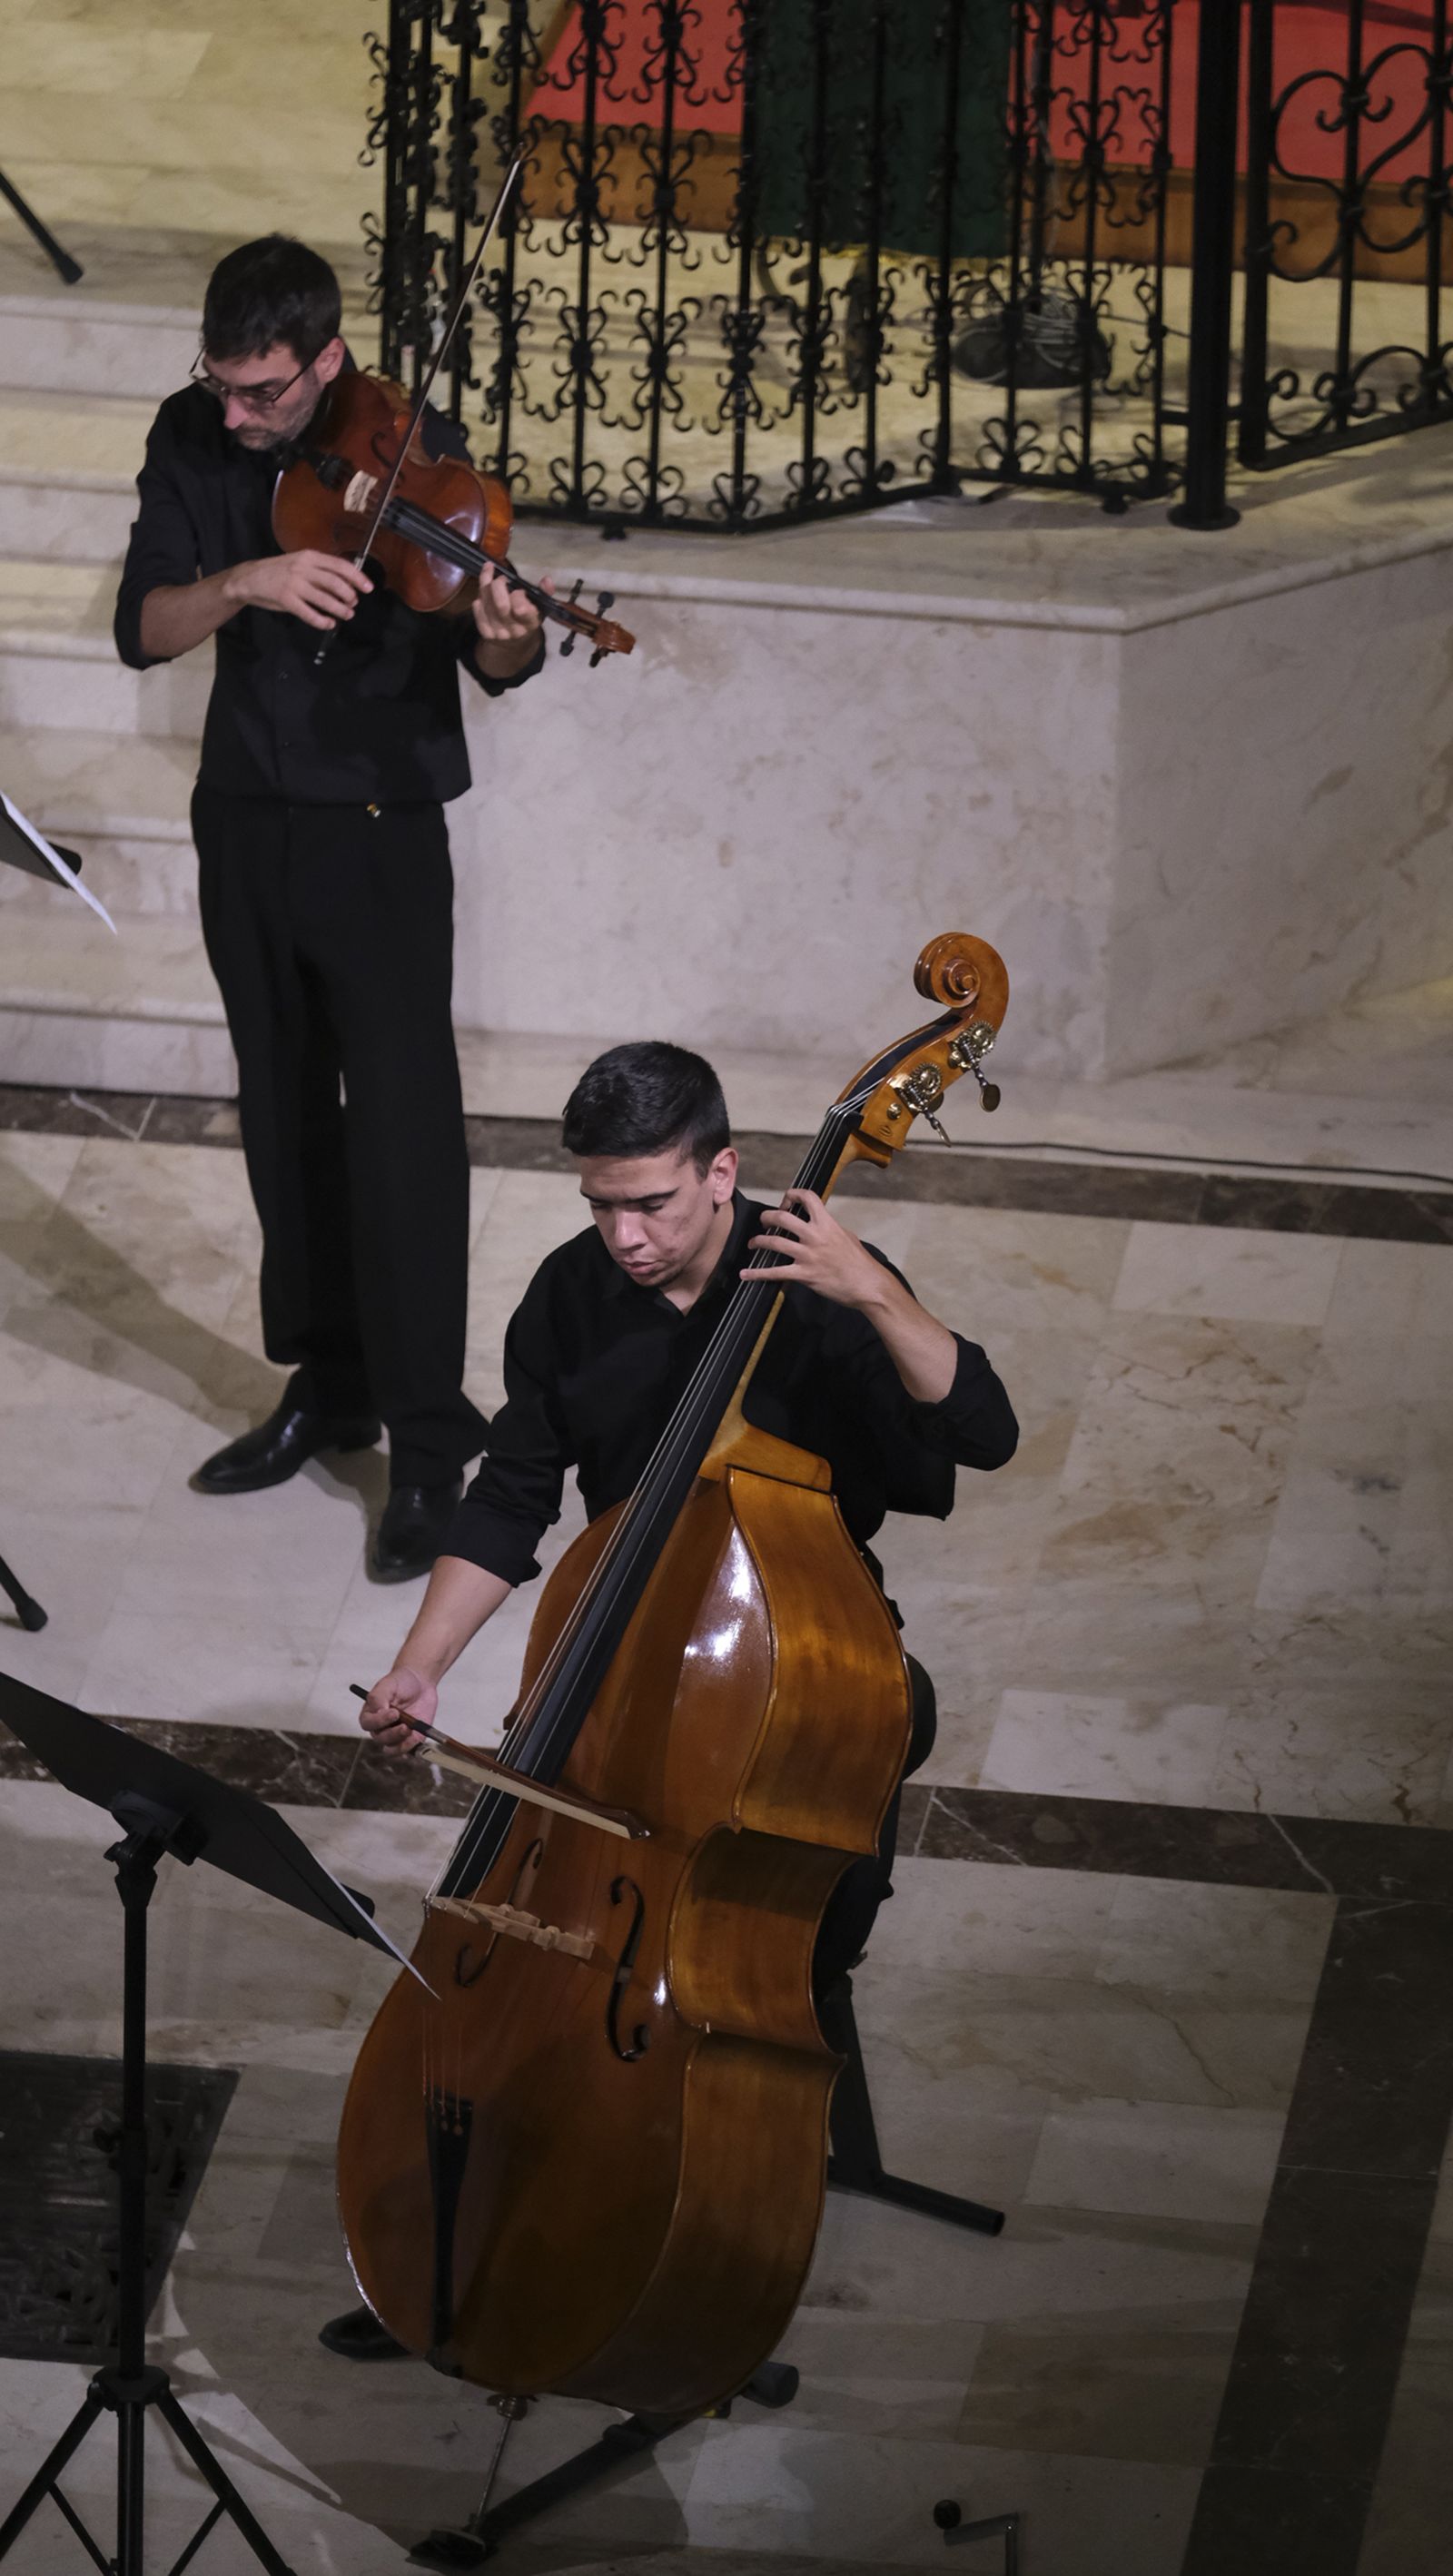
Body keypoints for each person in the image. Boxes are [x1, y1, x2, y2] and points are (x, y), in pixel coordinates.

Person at [321, 1038, 1017, 2359]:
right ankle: (474, 2223)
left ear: (724, 1170)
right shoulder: (572, 1295)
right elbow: (517, 1488)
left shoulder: (813, 1292)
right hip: (618, 1645)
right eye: (601, 1203)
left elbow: (984, 1433)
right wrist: (426, 1661)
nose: (625, 1235)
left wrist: (875, 1292)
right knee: (542, 1917)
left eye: (651, 1202)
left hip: (797, 1661)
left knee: (753, 1957)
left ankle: (701, 2240)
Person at [113, 234, 546, 1579]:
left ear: (329, 361)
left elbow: (490, 652)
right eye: (227, 385)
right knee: (283, 1113)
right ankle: (329, 1382)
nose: (241, 416)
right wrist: (247, 578)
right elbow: (144, 624)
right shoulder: (189, 437)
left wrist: (508, 633)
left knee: (404, 1131)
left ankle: (428, 1444)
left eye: (267, 393)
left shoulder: (421, 449)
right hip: (244, 815)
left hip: (379, 829)